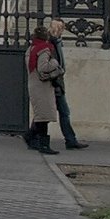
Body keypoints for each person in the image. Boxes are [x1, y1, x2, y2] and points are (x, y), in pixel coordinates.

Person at [43, 17, 87, 150]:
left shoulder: (57, 42)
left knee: (53, 112)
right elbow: (50, 64)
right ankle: (70, 140)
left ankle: (70, 139)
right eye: (60, 27)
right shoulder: (50, 43)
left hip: (57, 83)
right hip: (53, 83)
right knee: (58, 112)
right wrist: (58, 73)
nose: (62, 30)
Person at [25, 21, 63, 154]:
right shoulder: (44, 49)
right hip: (42, 86)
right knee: (43, 117)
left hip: (34, 84)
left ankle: (31, 138)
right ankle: (43, 145)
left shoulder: (31, 48)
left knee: (40, 115)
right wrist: (54, 63)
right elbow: (43, 68)